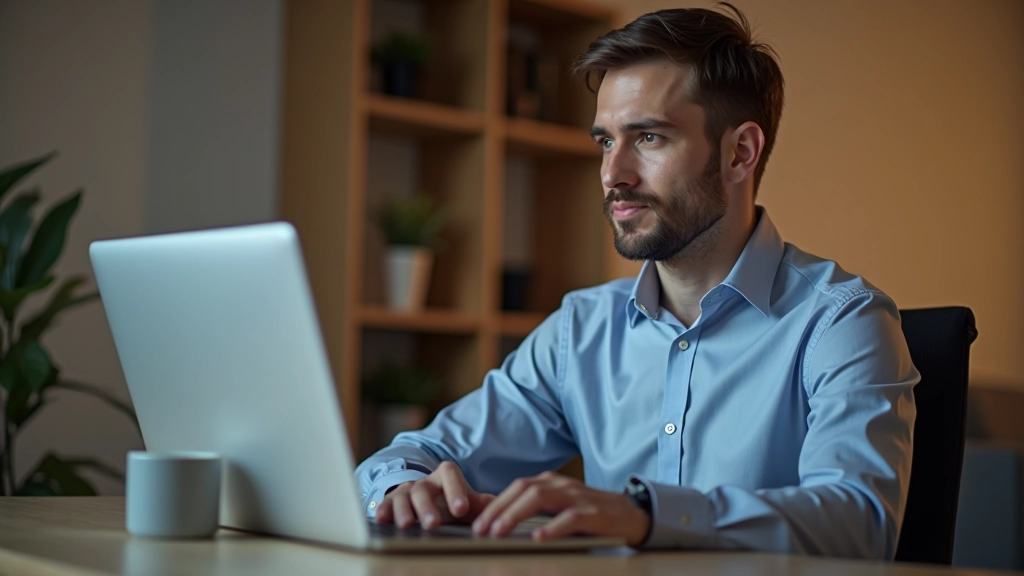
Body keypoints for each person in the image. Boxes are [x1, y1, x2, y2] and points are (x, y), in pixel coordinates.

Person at [356, 3, 918, 559]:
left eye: (648, 138)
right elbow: (411, 454)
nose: (612, 174)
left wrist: (647, 515)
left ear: (740, 153)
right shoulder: (581, 329)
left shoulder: (843, 321)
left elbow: (858, 523)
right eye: (605, 140)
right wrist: (405, 491)